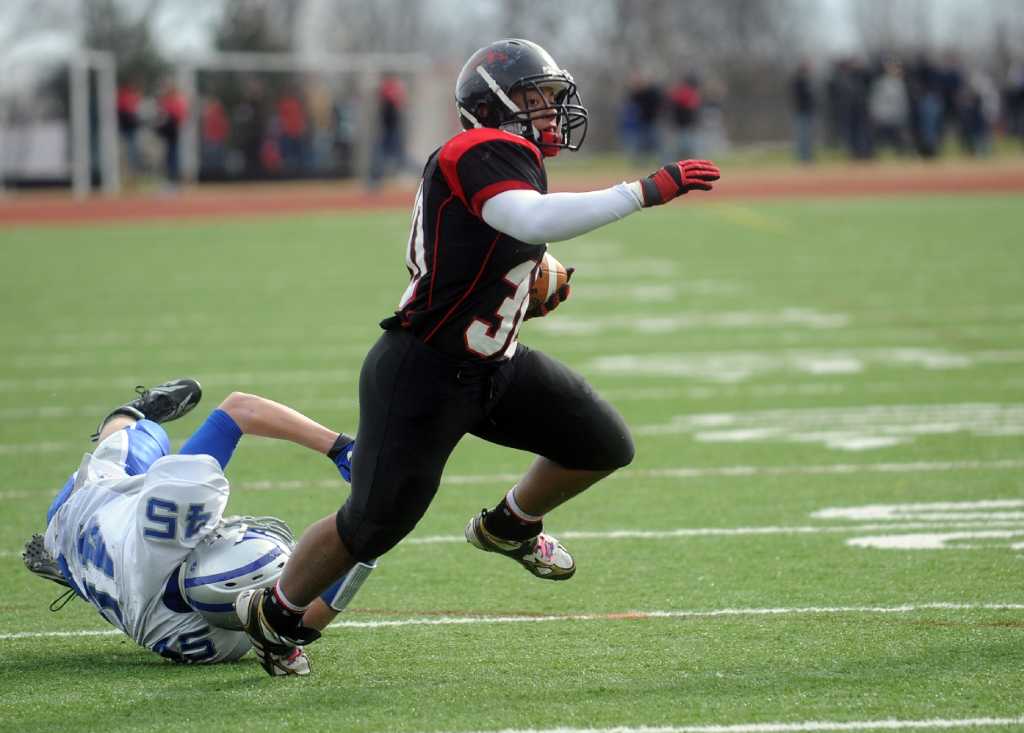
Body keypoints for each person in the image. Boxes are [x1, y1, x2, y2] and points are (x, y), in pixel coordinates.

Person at [235, 38, 721, 675]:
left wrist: (529, 290)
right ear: (495, 105)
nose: (550, 112)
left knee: (603, 444)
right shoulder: (476, 148)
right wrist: (643, 191)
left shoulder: (510, 156)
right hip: (424, 372)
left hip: (494, 364)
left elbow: (492, 246)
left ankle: (511, 526)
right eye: (535, 99)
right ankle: (272, 611)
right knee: (374, 524)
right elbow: (526, 216)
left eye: (552, 99)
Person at [22, 379, 372, 676]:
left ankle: (131, 412)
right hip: (99, 576)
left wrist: (343, 450)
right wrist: (367, 538)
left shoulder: (173, 519)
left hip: (79, 508)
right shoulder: (215, 646)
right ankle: (75, 577)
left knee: (140, 438)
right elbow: (303, 621)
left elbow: (240, 409)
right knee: (115, 575)